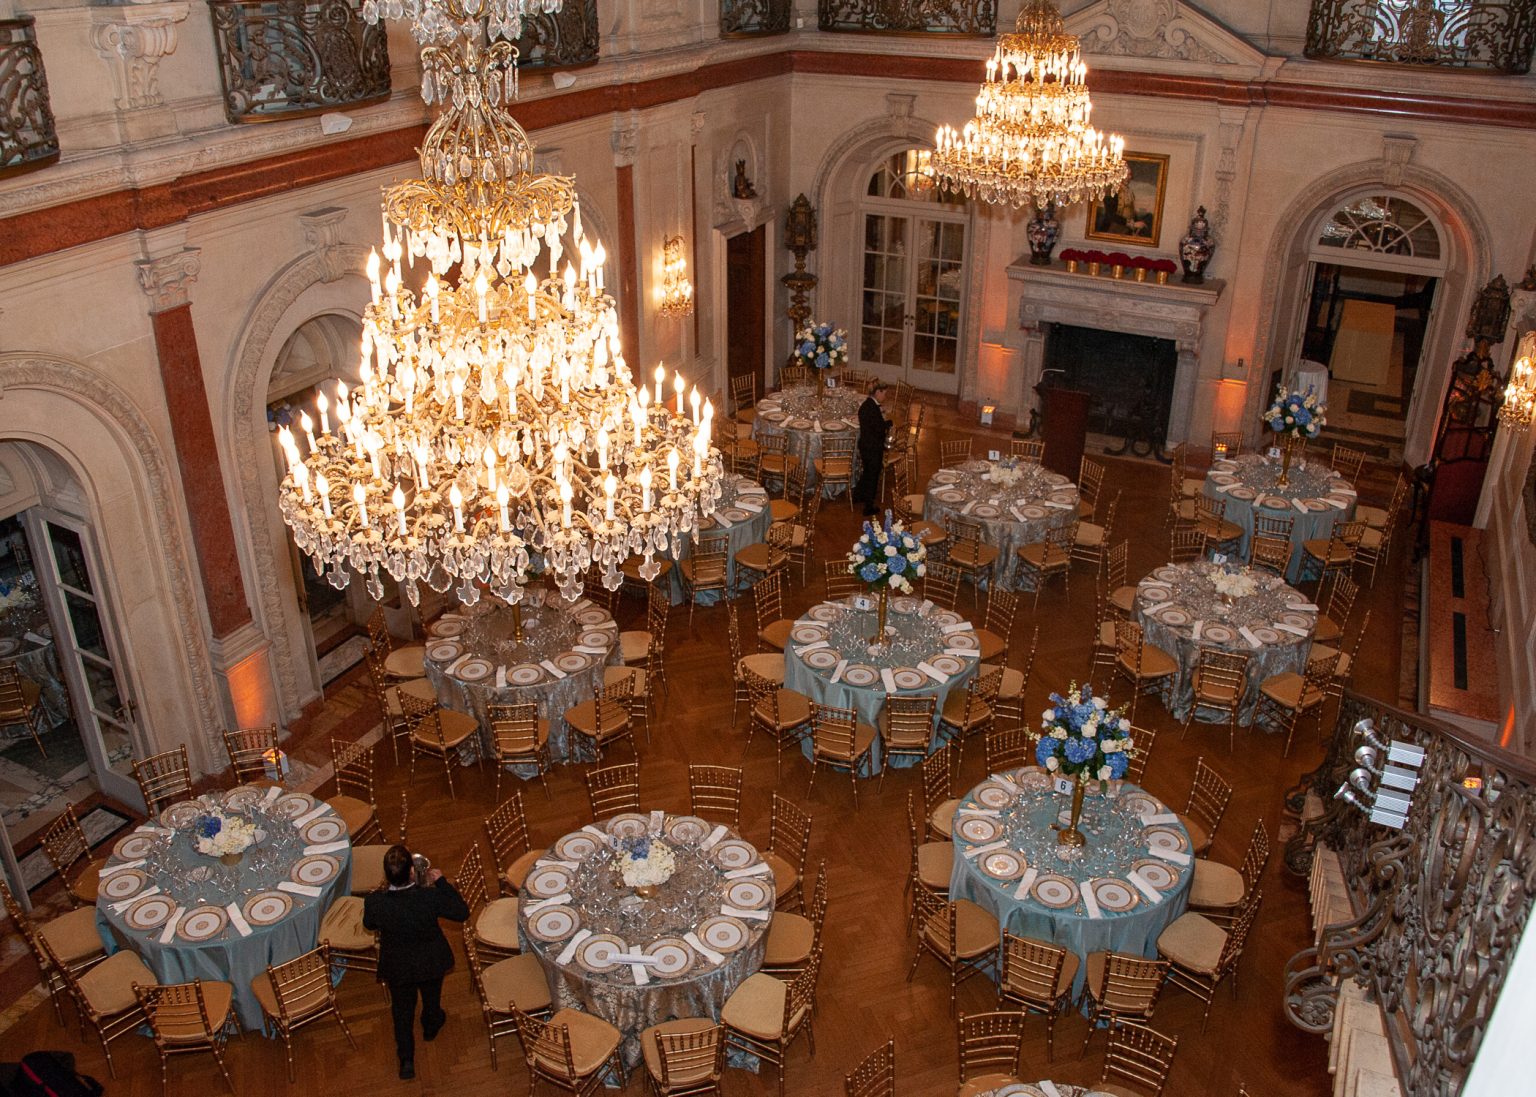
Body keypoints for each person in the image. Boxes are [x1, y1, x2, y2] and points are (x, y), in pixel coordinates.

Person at [362, 845, 470, 1080]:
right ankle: (431, 1026)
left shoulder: (374, 902)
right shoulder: (430, 896)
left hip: (398, 965)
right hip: (431, 960)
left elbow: (369, 925)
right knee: (432, 998)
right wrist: (441, 882)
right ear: (412, 871)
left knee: (401, 1012)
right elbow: (462, 912)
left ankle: (406, 1059)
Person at [854, 380, 891, 516]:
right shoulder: (873, 408)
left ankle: (858, 495)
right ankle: (868, 506)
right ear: (877, 392)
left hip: (865, 445)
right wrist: (887, 425)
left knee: (867, 473)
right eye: (884, 393)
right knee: (873, 476)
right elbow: (878, 429)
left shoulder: (867, 405)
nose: (885, 396)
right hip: (873, 447)